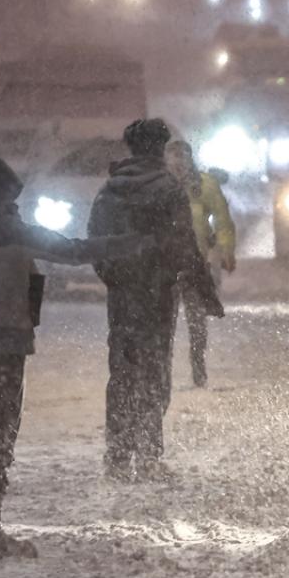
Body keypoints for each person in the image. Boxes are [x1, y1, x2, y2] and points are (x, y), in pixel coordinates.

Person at [0, 154, 144, 558]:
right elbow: (74, 251)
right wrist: (131, 242)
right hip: (5, 344)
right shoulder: (14, 232)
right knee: (0, 433)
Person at [88, 119, 224, 482]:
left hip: (123, 297)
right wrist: (205, 291)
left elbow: (94, 242)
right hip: (158, 295)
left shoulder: (109, 190)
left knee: (122, 374)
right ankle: (148, 456)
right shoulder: (168, 190)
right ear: (159, 149)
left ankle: (118, 458)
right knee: (154, 373)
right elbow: (185, 246)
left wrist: (114, 277)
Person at [166, 140, 236, 388]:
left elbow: (222, 220)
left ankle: (198, 364)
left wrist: (226, 249)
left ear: (189, 159)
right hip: (164, 266)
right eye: (173, 158)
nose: (178, 164)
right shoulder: (158, 186)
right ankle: (162, 368)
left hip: (195, 263)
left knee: (197, 320)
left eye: (182, 158)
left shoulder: (205, 185)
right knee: (165, 321)